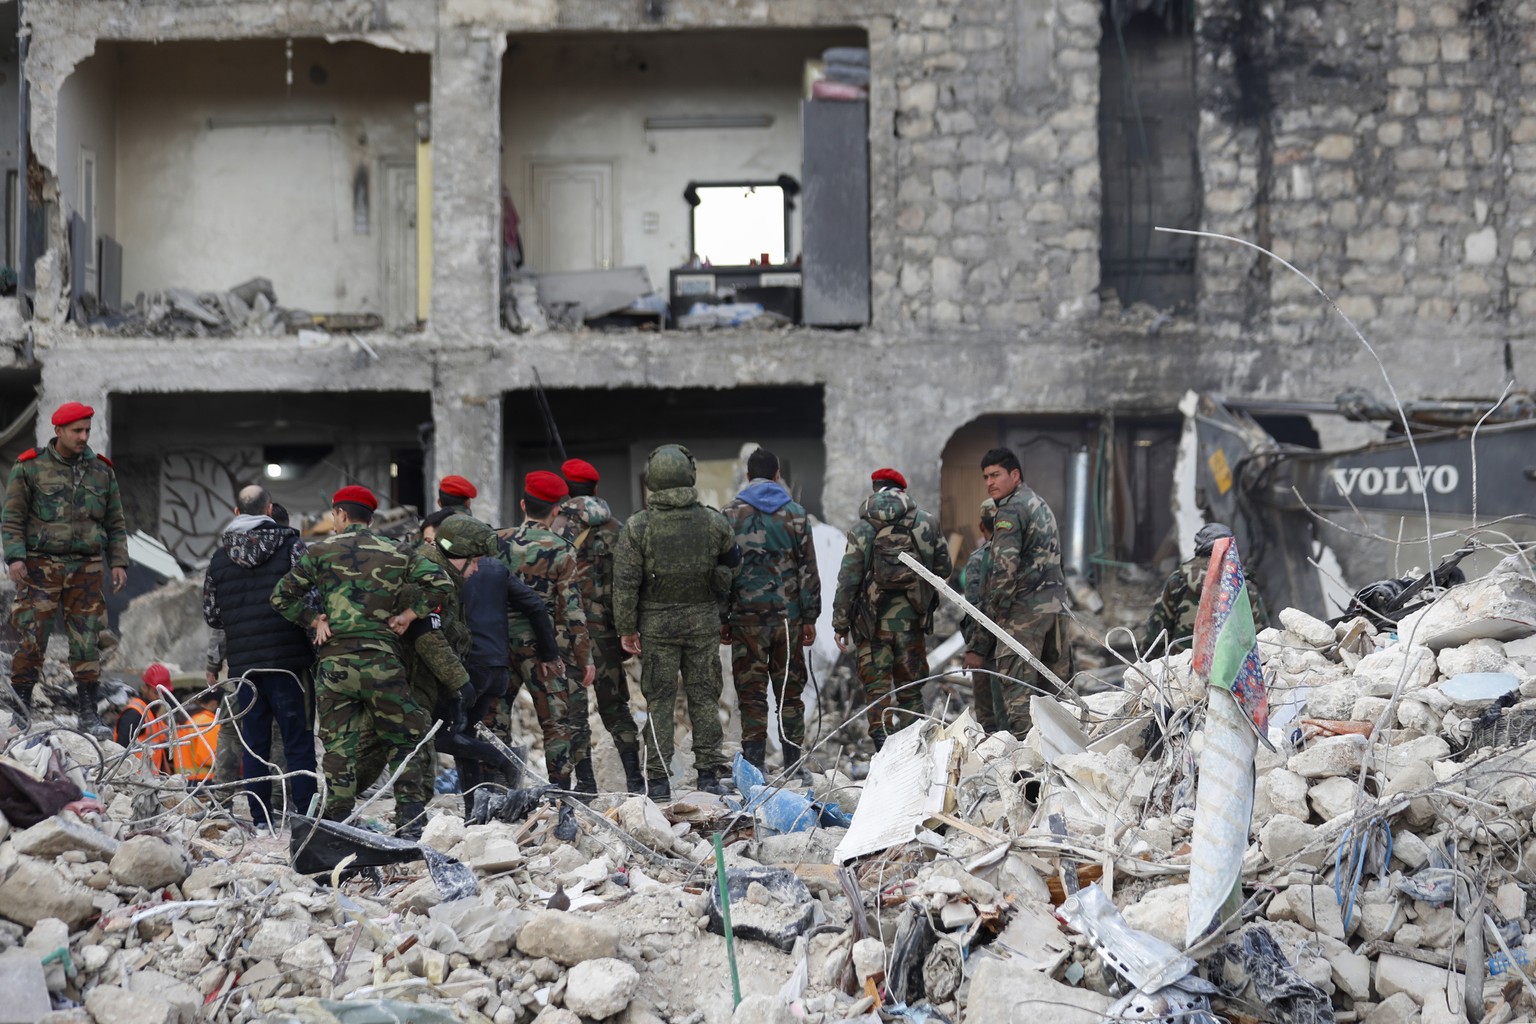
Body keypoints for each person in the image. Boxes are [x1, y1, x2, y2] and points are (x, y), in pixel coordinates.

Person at [271, 485, 448, 836]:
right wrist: (409, 615)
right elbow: (440, 583)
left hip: (336, 665)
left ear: (340, 514)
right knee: (405, 738)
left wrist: (315, 620)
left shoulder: (319, 551)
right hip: (382, 664)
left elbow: (280, 596)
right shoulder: (397, 551)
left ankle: (336, 822)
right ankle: (411, 820)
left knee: (339, 747)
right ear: (371, 517)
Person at [614, 444, 740, 800]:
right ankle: (709, 776)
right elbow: (733, 566)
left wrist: (626, 628)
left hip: (656, 625)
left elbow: (624, 583)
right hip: (702, 621)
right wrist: (722, 612)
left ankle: (657, 780)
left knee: (659, 701)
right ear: (690, 475)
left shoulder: (638, 526)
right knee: (704, 696)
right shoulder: (714, 521)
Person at [2, 401, 129, 736]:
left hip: (86, 568)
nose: (84, 437)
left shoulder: (101, 471)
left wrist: (118, 562)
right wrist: (15, 557)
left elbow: (115, 522)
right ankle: (22, 711)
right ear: (58, 431)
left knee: (87, 641)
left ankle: (89, 714)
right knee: (32, 639)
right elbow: (12, 518)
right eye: (77, 431)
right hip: (40, 566)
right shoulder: (30, 467)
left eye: (87, 430)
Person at [202, 485, 318, 827]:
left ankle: (260, 819)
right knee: (298, 741)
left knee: (255, 745)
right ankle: (305, 817)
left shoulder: (220, 557)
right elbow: (313, 599)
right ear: (269, 509)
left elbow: (212, 615)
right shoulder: (293, 546)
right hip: (289, 664)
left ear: (237, 513)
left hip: (244, 668)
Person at [436, 514, 559, 816]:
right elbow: (535, 606)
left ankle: (505, 759)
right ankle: (472, 811)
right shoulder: (494, 568)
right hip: (495, 670)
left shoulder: (444, 571)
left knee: (443, 736)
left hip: (465, 669)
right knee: (464, 736)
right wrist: (549, 653)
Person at [832, 468, 951, 749]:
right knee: (911, 692)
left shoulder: (863, 528)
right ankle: (912, 752)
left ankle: (884, 752)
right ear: (902, 491)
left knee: (877, 692)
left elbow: (848, 579)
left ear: (876, 489)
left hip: (871, 626)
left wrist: (840, 624)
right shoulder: (927, 523)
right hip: (912, 623)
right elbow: (944, 568)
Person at [722, 447, 820, 776]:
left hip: (746, 621)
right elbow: (808, 570)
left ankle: (754, 767)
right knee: (790, 693)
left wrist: (723, 617)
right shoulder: (795, 514)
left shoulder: (729, 515)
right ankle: (795, 766)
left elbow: (722, 573)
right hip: (787, 621)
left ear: (748, 476)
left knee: (751, 694)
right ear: (778, 475)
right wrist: (809, 618)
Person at [496, 471, 593, 792]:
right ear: (555, 512)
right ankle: (561, 795)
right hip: (542, 647)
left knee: (492, 721)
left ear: (523, 504)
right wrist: (584, 657)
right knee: (555, 723)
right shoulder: (562, 550)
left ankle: (492, 792)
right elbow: (572, 612)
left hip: (497, 643)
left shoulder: (497, 541)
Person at [962, 447, 1068, 736]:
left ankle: (1026, 774)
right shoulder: (1038, 504)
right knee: (1052, 700)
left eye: (996, 475)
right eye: (986, 477)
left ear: (1015, 475)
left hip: (1023, 616)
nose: (989, 483)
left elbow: (1002, 579)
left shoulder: (1010, 510)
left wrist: (979, 645)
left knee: (1019, 704)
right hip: (1053, 611)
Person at [556, 458, 644, 794]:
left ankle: (586, 784)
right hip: (605, 632)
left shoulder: (556, 527)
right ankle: (635, 781)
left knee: (574, 709)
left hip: (567, 634)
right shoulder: (616, 529)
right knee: (616, 707)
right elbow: (626, 585)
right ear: (595, 490)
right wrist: (626, 629)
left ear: (567, 491)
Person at [1143, 522, 1269, 656]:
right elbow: (1263, 637)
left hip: (1183, 667)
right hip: (1228, 669)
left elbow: (1157, 631)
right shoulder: (1242, 583)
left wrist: (1145, 664)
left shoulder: (1178, 581)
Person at [960, 498, 1003, 733]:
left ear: (981, 526)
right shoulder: (1030, 555)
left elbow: (977, 610)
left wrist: (976, 649)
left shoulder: (981, 558)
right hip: (1026, 649)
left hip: (990, 650)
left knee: (990, 720)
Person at [116, 663, 173, 775]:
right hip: (134, 778)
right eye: (156, 693)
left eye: (163, 694)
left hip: (150, 779)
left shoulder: (153, 713)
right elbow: (121, 749)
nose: (159, 697)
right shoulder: (134, 713)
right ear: (144, 688)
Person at [171, 692, 222, 784]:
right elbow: (210, 758)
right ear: (214, 704)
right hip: (205, 780)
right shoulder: (208, 723)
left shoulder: (185, 721)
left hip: (182, 780)